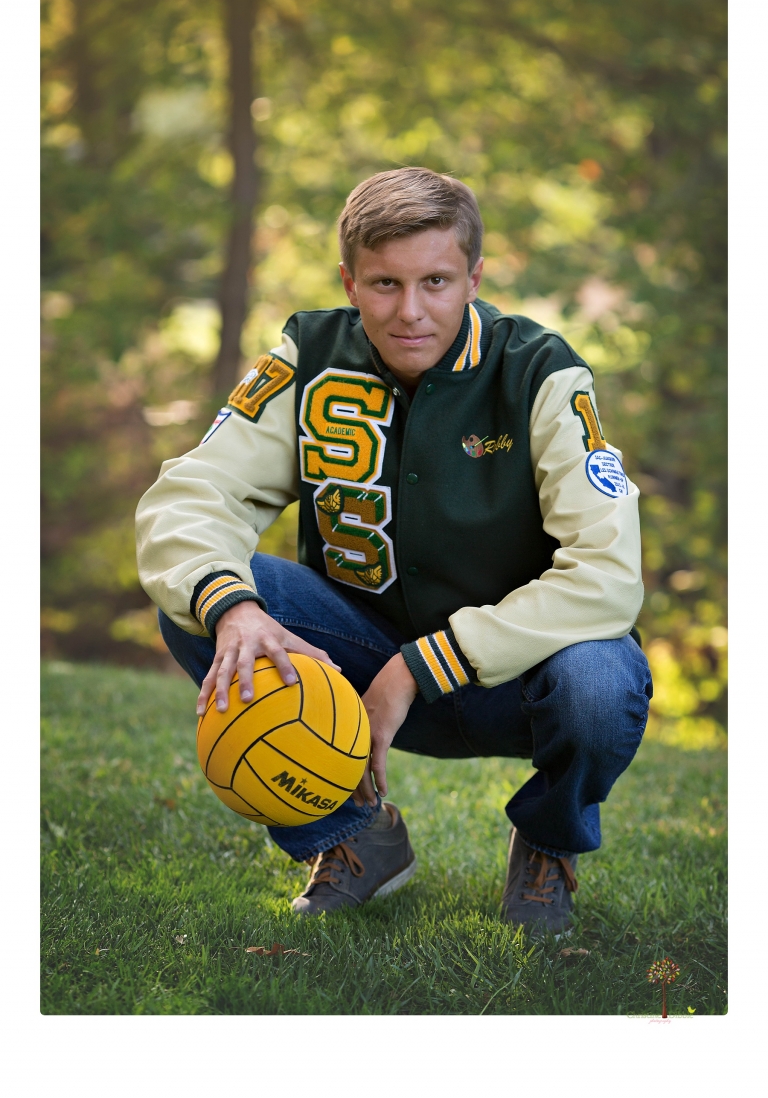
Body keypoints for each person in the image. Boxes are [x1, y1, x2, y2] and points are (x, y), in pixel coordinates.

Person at [136, 167, 652, 933]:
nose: (411, 312)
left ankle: (547, 841)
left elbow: (609, 575)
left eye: (436, 282)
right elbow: (190, 496)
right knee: (204, 607)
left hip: (520, 679)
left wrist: (420, 666)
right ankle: (351, 836)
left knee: (601, 683)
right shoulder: (307, 356)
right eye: (384, 284)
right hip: (355, 659)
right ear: (349, 280)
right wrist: (234, 606)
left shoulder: (541, 371)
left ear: (474, 277)